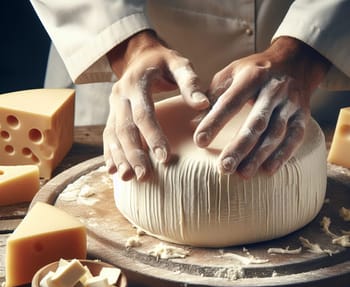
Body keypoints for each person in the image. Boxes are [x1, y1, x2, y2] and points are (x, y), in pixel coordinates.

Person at [30, 0, 350, 181]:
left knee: (297, 175)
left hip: (314, 61)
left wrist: (307, 50)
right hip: (117, 49)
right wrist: (126, 46)